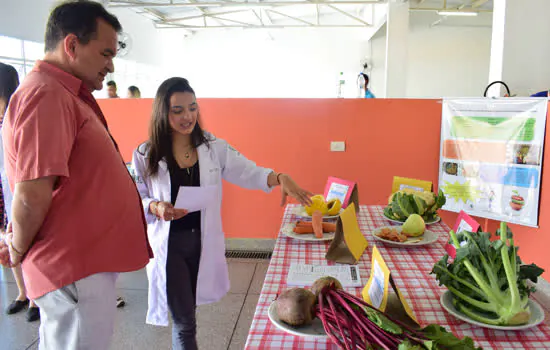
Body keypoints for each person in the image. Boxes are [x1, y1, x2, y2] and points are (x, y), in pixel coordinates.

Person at [0, 2, 152, 349]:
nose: (110, 65)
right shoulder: (46, 94)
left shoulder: (61, 94)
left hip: (82, 266)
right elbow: (32, 192)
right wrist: (17, 247)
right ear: (71, 45)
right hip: (73, 269)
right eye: (105, 53)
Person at [132, 77, 313, 349]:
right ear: (162, 112)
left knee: (191, 314)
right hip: (170, 248)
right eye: (177, 110)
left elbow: (246, 170)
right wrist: (155, 206)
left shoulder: (212, 147)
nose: (187, 116)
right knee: (184, 322)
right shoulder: (146, 153)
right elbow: (135, 196)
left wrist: (279, 177)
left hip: (202, 241)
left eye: (192, 107)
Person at [0, 63, 40, 322]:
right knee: (7, 240)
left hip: (20, 185)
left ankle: (36, 296)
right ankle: (22, 293)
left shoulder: (20, 116)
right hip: (3, 187)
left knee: (26, 240)